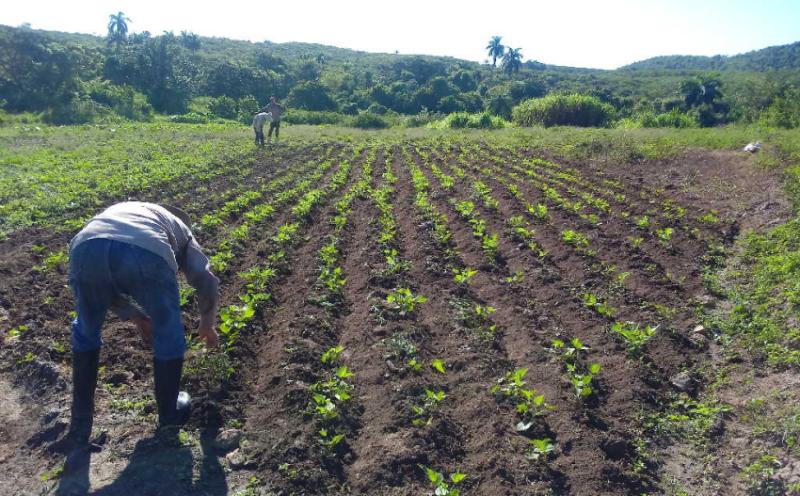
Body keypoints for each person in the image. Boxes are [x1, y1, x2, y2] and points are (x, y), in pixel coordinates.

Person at [65, 201, 219, 446]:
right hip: (146, 251)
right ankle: (169, 415)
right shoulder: (182, 231)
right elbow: (205, 279)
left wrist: (136, 316)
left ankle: (80, 421)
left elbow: (106, 271)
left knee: (86, 329)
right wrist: (207, 323)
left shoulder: (125, 212)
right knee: (169, 331)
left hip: (85, 245)